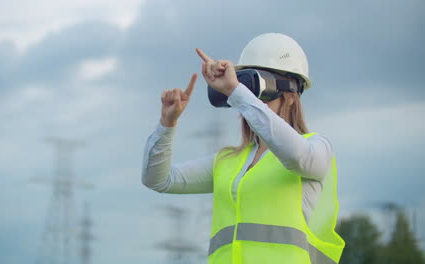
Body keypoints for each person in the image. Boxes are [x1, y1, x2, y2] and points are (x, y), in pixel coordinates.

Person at [142, 33, 345, 263]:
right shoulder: (228, 162)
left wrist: (238, 93)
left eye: (258, 92)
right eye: (246, 90)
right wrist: (167, 125)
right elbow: (158, 179)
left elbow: (296, 156)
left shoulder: (316, 148)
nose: (251, 101)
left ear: (290, 95)